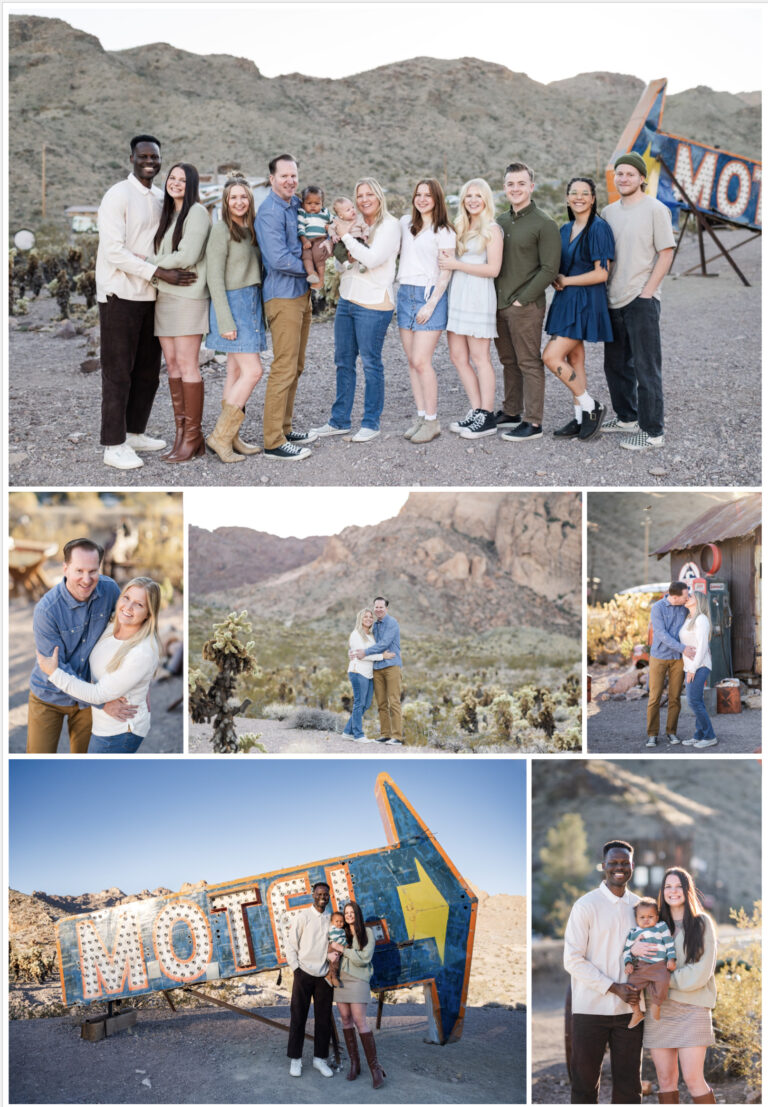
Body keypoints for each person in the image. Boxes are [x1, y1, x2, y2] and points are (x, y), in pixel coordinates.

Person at [96, 134, 196, 470]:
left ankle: (135, 432)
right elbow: (113, 250)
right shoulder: (118, 195)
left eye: (155, 157)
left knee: (148, 371)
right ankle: (113, 445)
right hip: (120, 293)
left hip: (152, 295)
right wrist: (158, 272)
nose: (149, 162)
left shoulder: (160, 198)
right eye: (143, 156)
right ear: (132, 159)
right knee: (118, 372)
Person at [26, 538, 137, 753]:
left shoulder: (110, 591)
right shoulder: (46, 611)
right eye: (79, 571)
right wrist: (103, 702)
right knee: (38, 760)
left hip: (89, 696)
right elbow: (56, 669)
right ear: (65, 569)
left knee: (86, 763)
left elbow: (126, 633)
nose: (86, 579)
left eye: (93, 571)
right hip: (49, 694)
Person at [312, 178, 400, 443]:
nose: (364, 200)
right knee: (343, 362)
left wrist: (347, 237)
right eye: (360, 195)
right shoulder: (353, 222)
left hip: (374, 302)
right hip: (347, 299)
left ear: (379, 196)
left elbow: (372, 259)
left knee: (371, 363)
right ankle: (339, 421)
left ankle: (371, 423)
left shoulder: (389, 225)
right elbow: (342, 266)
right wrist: (344, 251)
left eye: (369, 194)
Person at [600, 152, 676, 451]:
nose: (624, 178)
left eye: (630, 174)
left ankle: (653, 432)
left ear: (642, 178)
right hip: (613, 298)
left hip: (641, 299)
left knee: (647, 368)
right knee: (615, 366)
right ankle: (627, 418)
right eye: (619, 173)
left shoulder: (655, 209)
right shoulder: (608, 212)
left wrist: (648, 292)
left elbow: (666, 252)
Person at [35, 577, 161, 754]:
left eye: (139, 604)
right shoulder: (113, 624)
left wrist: (54, 673)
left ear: (149, 613)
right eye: (126, 598)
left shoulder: (142, 652)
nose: (128, 607)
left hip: (119, 731)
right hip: (104, 725)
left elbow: (97, 694)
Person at [563, 839, 643, 1104]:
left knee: (629, 1088)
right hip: (590, 1010)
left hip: (630, 1012)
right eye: (613, 863)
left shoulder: (641, 908)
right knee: (584, 1086)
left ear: (632, 866)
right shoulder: (585, 905)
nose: (619, 868)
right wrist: (614, 987)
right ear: (603, 866)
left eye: (624, 863)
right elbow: (572, 960)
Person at [146, 162, 211, 463]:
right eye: (172, 178)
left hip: (188, 297)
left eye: (182, 180)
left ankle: (193, 436)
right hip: (165, 297)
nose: (175, 183)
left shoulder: (196, 212)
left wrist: (149, 264)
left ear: (192, 184)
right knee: (172, 365)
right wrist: (157, 269)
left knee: (187, 364)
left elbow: (188, 255)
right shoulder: (169, 215)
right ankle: (181, 434)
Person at [255, 153, 318, 461]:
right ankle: (273, 441)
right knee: (283, 366)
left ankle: (285, 427)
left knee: (297, 365)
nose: (290, 181)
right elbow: (278, 259)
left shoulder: (296, 205)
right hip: (282, 296)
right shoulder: (269, 212)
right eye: (284, 176)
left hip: (301, 294)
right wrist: (312, 270)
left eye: (294, 175)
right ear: (272, 179)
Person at [542, 177, 614, 441]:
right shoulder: (565, 229)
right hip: (565, 300)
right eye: (574, 193)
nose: (579, 197)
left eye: (585, 193)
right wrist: (554, 277)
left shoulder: (599, 229)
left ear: (593, 199)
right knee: (575, 359)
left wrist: (567, 281)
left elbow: (601, 273)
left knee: (550, 357)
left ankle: (591, 405)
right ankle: (580, 418)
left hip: (584, 300)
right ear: (567, 198)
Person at [494, 161, 561, 442]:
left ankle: (533, 422)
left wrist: (523, 300)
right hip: (498, 305)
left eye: (521, 183)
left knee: (528, 362)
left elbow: (549, 269)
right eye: (511, 184)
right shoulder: (499, 222)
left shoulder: (545, 223)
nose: (516, 188)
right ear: (504, 187)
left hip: (525, 306)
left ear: (531, 186)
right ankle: (511, 411)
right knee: (508, 360)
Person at [205, 175, 267, 463]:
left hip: (251, 301)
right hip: (233, 305)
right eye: (234, 197)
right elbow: (214, 277)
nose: (239, 202)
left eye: (244, 197)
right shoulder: (221, 230)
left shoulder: (251, 228)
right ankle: (219, 436)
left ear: (250, 200)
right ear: (226, 201)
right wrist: (225, 320)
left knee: (235, 373)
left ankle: (231, 436)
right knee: (254, 371)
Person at [645, 868, 718, 1104]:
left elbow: (701, 972)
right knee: (665, 1080)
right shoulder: (654, 925)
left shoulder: (702, 923)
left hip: (693, 1009)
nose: (673, 891)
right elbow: (644, 966)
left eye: (678, 886)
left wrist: (662, 980)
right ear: (662, 891)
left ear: (688, 890)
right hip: (659, 1010)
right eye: (668, 886)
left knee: (693, 1078)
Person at [439, 177, 503, 438]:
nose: (473, 200)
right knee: (457, 357)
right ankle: (476, 410)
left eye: (478, 196)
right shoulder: (458, 227)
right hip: (458, 297)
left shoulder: (492, 230)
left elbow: (493, 269)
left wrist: (457, 265)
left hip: (478, 297)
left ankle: (487, 415)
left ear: (486, 200)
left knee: (480, 358)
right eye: (469, 196)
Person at [396, 178, 456, 443]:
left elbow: (446, 272)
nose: (422, 199)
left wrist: (430, 304)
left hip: (429, 296)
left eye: (428, 195)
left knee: (422, 360)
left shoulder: (444, 231)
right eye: (418, 194)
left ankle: (432, 420)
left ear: (437, 199)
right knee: (412, 361)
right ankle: (420, 416)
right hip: (405, 293)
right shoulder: (405, 224)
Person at [285, 881, 335, 1079]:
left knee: (324, 1019)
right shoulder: (303, 917)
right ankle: (295, 1059)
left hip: (324, 976)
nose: (323, 897)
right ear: (313, 895)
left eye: (326, 894)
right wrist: (296, 969)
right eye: (319, 893)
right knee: (298, 1017)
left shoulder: (331, 919)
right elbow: (291, 944)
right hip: (303, 973)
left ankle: (319, 1059)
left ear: (329, 896)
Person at [334, 900, 386, 1089]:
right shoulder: (341, 933)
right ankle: (354, 1064)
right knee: (345, 1019)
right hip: (340, 981)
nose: (348, 915)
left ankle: (375, 1069)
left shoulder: (367, 933)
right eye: (346, 912)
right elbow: (331, 948)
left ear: (357, 913)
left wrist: (343, 949)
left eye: (352, 912)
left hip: (358, 980)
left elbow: (364, 958)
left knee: (359, 1020)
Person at [647, 581, 697, 749]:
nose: (687, 598)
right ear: (675, 597)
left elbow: (695, 622)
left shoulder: (684, 607)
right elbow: (661, 634)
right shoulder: (657, 608)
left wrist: (693, 604)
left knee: (675, 697)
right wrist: (683, 648)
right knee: (654, 697)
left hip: (678, 659)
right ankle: (652, 734)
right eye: (685, 596)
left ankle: (671, 732)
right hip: (659, 657)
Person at [350, 596, 402, 745]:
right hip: (377, 668)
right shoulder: (374, 625)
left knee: (394, 701)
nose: (378, 609)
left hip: (391, 666)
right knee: (381, 703)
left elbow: (384, 644)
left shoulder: (392, 623)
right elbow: (363, 641)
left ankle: (397, 737)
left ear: (386, 608)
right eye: (376, 607)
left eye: (381, 607)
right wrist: (352, 651)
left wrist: (364, 653)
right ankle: (385, 734)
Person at [622, 897, 677, 1028]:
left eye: (650, 916)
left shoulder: (661, 927)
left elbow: (669, 943)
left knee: (664, 982)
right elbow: (627, 950)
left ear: (657, 917)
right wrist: (628, 963)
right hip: (640, 967)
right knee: (629, 988)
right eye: (642, 917)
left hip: (659, 965)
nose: (646, 919)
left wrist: (671, 959)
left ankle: (656, 1004)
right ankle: (636, 1012)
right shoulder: (634, 932)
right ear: (636, 919)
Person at [343, 608, 394, 743]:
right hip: (358, 671)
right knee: (359, 703)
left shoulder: (371, 635)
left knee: (365, 704)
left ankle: (348, 732)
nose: (368, 619)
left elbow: (371, 651)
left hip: (369, 673)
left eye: (371, 617)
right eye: (365, 616)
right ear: (360, 619)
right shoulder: (356, 634)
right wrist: (382, 656)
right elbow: (362, 655)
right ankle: (358, 735)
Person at [680, 592, 718, 750]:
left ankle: (710, 736)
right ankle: (699, 735)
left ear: (698, 601)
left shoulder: (701, 619)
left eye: (691, 596)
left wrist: (693, 669)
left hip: (699, 666)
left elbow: (702, 647)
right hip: (690, 666)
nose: (687, 597)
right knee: (698, 701)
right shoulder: (689, 618)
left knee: (693, 701)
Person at [297, 185, 333, 309]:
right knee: (306, 257)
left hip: (320, 240)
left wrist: (331, 227)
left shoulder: (325, 213)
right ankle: (311, 273)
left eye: (317, 203)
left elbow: (334, 221)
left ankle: (320, 280)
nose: (313, 206)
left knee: (319, 258)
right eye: (309, 203)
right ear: (303, 204)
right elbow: (300, 228)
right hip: (308, 241)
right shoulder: (303, 214)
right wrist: (304, 240)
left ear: (322, 203)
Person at [325, 910, 346, 988]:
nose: (339, 923)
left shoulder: (341, 930)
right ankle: (334, 977)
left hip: (337, 948)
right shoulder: (333, 929)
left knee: (334, 963)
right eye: (336, 921)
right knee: (335, 963)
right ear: (332, 922)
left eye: (341, 921)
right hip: (333, 948)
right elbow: (336, 939)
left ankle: (329, 976)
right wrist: (345, 944)